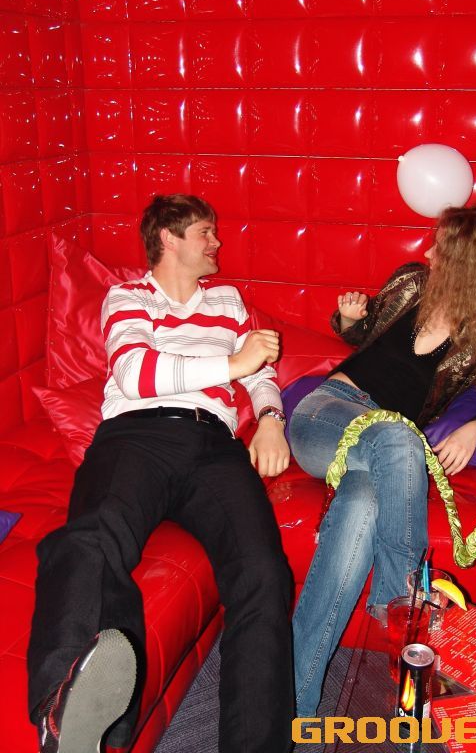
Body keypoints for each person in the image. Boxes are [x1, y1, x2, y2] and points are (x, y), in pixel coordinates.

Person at [28, 194, 294, 753]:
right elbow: (135, 372)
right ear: (168, 239)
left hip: (215, 445)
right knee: (92, 539)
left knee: (263, 574)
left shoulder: (227, 300)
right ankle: (67, 717)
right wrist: (235, 363)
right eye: (205, 232)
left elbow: (260, 374)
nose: (217, 242)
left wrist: (270, 417)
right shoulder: (127, 297)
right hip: (136, 436)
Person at [290, 205, 476, 717]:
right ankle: (404, 603)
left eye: (440, 247)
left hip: (382, 454)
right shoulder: (411, 283)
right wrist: (349, 321)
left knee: (363, 505)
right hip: (328, 414)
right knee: (398, 434)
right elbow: (365, 337)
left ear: (471, 264)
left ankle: (294, 706)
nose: (427, 252)